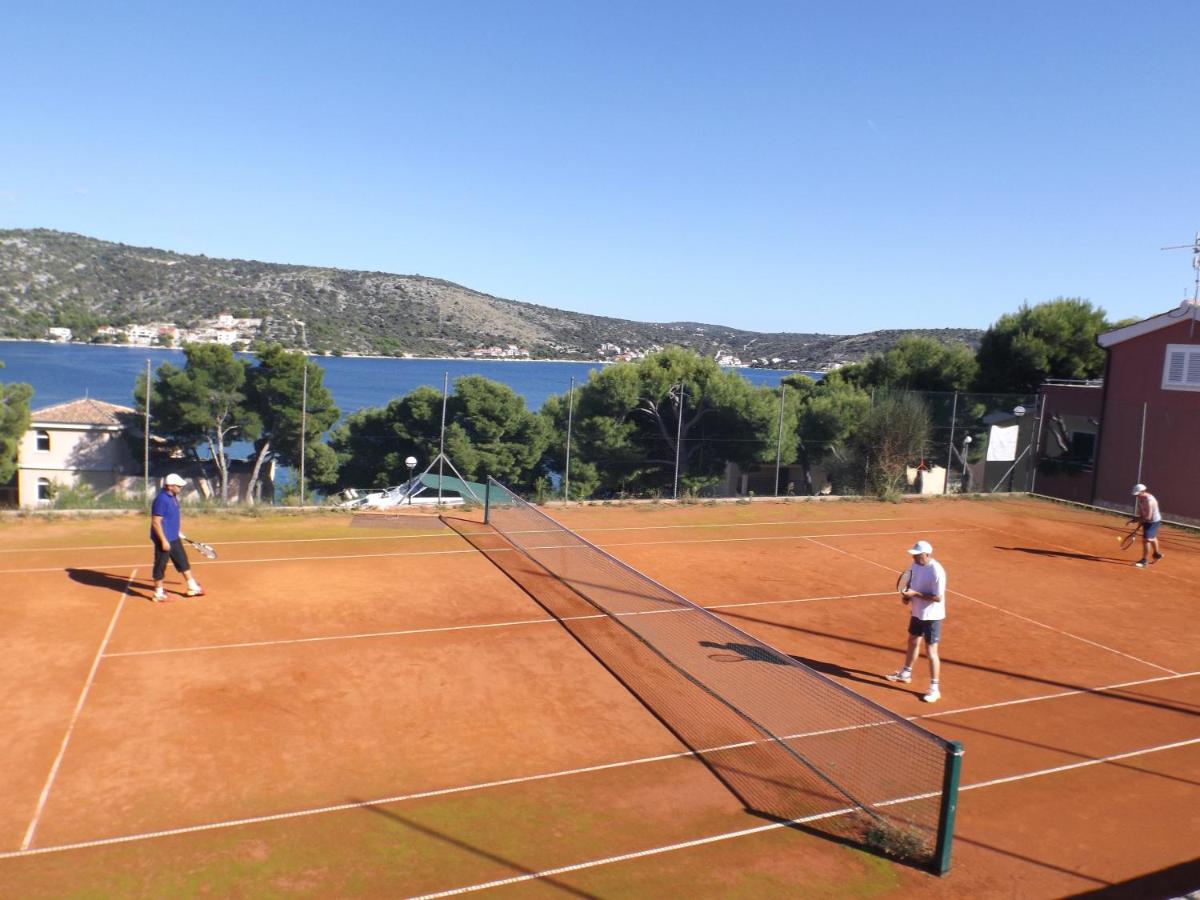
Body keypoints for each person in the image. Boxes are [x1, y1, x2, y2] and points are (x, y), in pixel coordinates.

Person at [885, 540, 946, 703]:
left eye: (917, 555)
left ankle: (935, 688)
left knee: (931, 651)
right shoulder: (914, 566)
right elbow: (910, 584)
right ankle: (906, 673)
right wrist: (907, 597)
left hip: (932, 616)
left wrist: (915, 594)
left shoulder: (936, 571)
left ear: (927, 554)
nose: (914, 558)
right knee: (912, 641)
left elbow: (938, 598)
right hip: (917, 612)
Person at [150, 473, 205, 602]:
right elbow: (156, 522)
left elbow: (170, 518)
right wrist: (163, 540)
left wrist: (176, 531)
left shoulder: (173, 496)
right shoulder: (161, 500)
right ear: (170, 486)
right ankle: (158, 594)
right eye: (178, 486)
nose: (181, 488)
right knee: (160, 565)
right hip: (163, 539)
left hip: (174, 536)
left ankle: (193, 587)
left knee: (182, 561)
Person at [1127, 483, 1163, 568]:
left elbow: (1148, 517)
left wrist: (1136, 520)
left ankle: (1144, 561)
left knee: (1146, 539)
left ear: (1143, 491)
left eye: (1138, 494)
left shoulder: (1149, 501)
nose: (1136, 496)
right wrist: (1137, 520)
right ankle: (1156, 554)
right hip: (1147, 520)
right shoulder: (1140, 498)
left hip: (1153, 521)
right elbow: (1142, 514)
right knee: (1152, 537)